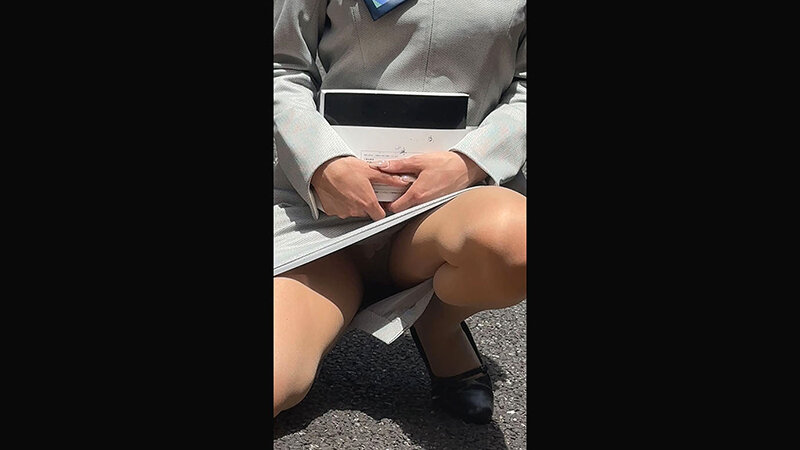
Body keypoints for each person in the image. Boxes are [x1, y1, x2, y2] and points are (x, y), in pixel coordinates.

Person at [273, 0, 527, 424]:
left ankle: (438, 321)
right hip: (323, 215)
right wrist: (320, 161)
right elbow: (281, 64)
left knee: (515, 240)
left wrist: (472, 160)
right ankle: (325, 309)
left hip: (455, 204)